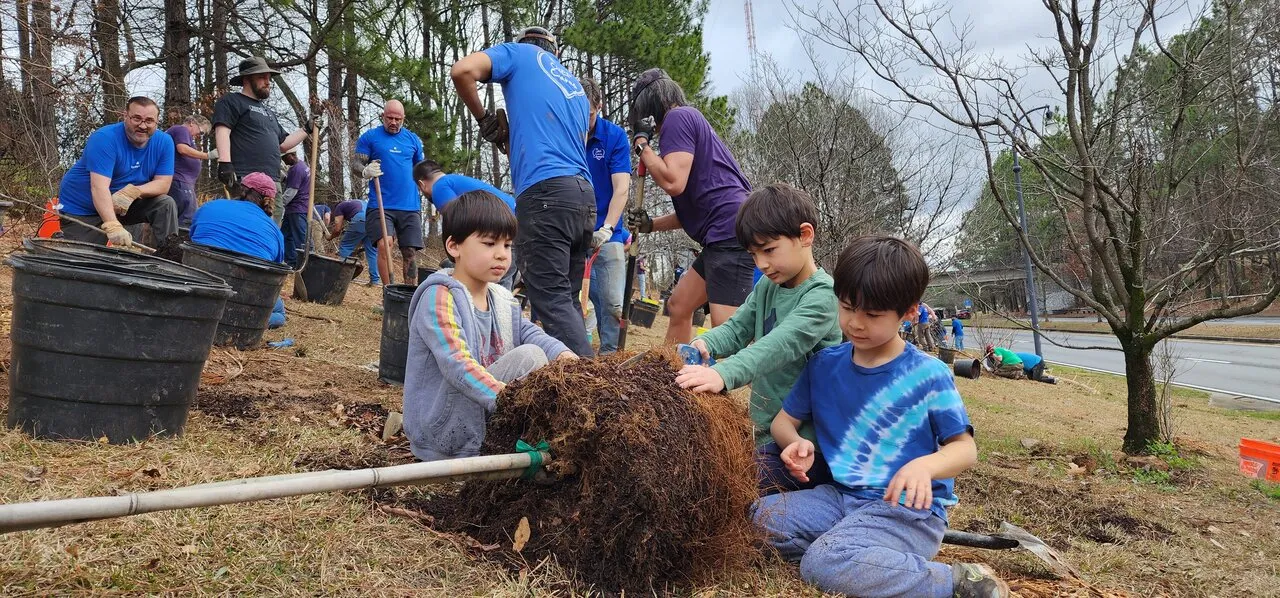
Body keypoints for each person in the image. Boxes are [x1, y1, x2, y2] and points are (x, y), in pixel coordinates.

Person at [752, 233, 1007, 598]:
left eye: (871, 314)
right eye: (846, 308)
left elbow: (965, 449)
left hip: (907, 512)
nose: (855, 323)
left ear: (909, 312)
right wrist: (794, 444)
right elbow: (783, 422)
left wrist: (925, 466)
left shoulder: (928, 373)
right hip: (840, 499)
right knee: (759, 518)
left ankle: (957, 582)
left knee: (821, 562)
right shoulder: (824, 366)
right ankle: (857, 556)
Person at [675, 184, 843, 493]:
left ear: (805, 235)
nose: (762, 264)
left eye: (768, 250)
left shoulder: (823, 297)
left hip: (806, 447)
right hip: (764, 434)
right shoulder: (768, 285)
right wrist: (707, 344)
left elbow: (777, 346)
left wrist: (721, 374)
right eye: (754, 255)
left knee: (733, 490)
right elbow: (738, 328)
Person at [450, 26, 595, 357]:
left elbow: (461, 71)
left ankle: (594, 391)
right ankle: (563, 386)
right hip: (583, 197)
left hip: (545, 194)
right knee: (566, 298)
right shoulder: (574, 86)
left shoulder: (520, 55)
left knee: (551, 299)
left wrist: (484, 119)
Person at [402, 191, 576, 462]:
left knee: (535, 352)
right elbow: (457, 364)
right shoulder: (439, 297)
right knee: (529, 357)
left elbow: (530, 333)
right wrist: (511, 400)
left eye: (507, 246)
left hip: (484, 413)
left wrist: (567, 358)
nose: (501, 255)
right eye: (489, 243)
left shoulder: (500, 298)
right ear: (454, 246)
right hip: (445, 431)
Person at [625, 68, 755, 345]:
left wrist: (642, 145)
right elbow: (692, 211)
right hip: (719, 234)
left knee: (727, 331)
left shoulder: (678, 117)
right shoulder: (686, 123)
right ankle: (672, 371)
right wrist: (650, 225)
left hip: (730, 233)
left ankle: (719, 384)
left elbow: (673, 182)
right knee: (679, 305)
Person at [57, 96, 179, 247]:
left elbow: (163, 184)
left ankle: (168, 256)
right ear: (125, 116)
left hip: (124, 205)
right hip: (84, 208)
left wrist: (133, 191)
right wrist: (112, 225)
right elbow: (99, 187)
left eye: (149, 121)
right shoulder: (105, 138)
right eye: (136, 118)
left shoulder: (164, 142)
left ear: (156, 121)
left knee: (165, 204)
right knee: (85, 261)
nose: (142, 125)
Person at [212, 56, 311, 224]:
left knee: (271, 230)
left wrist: (307, 129)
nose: (268, 82)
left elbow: (283, 144)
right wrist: (225, 163)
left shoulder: (269, 113)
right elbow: (222, 130)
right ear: (246, 79)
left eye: (268, 78)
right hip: (247, 179)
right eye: (262, 77)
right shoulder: (232, 101)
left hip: (274, 182)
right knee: (247, 227)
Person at [189, 172, 288, 328]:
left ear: (243, 190)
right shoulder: (275, 232)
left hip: (200, 287)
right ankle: (246, 319)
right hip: (244, 297)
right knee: (280, 312)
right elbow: (271, 273)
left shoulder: (209, 207)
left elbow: (193, 240)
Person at [579, 77, 633, 354]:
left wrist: (608, 227)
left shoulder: (614, 137)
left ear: (598, 106)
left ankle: (610, 357)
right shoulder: (565, 133)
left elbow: (621, 188)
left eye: (587, 114)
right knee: (580, 302)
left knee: (612, 303)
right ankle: (575, 356)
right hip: (573, 233)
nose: (582, 120)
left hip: (607, 232)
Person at [413, 159, 519, 289]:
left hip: (501, 225)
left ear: (422, 184)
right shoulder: (454, 180)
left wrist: (453, 256)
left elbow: (454, 221)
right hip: (518, 218)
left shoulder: (439, 187)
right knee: (503, 279)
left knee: (495, 284)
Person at [353, 99, 426, 286]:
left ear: (404, 119)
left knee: (409, 251)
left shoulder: (413, 140)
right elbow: (356, 164)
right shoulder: (370, 137)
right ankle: (389, 293)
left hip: (409, 205)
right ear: (383, 116)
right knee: (385, 245)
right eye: (390, 118)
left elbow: (421, 169)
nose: (393, 122)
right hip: (381, 204)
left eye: (398, 119)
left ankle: (409, 299)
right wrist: (365, 171)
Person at [165, 114, 214, 227]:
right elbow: (182, 149)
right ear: (192, 122)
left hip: (180, 182)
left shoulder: (178, 132)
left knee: (176, 217)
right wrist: (207, 155)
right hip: (180, 181)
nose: (199, 136)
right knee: (187, 219)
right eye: (201, 132)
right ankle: (179, 243)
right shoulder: (181, 129)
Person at [330, 199, 380, 286]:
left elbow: (337, 229)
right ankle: (375, 281)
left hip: (360, 219)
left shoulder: (339, 206)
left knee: (345, 246)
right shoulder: (358, 202)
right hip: (374, 221)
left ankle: (342, 276)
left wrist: (330, 237)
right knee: (372, 252)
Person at [279, 151, 311, 267]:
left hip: (297, 207)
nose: (284, 161)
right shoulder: (302, 166)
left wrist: (279, 203)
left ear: (290, 156)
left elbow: (291, 191)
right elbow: (291, 180)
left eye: (284, 158)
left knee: (301, 238)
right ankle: (291, 262)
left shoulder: (296, 169)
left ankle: (307, 263)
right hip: (295, 208)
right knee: (286, 235)